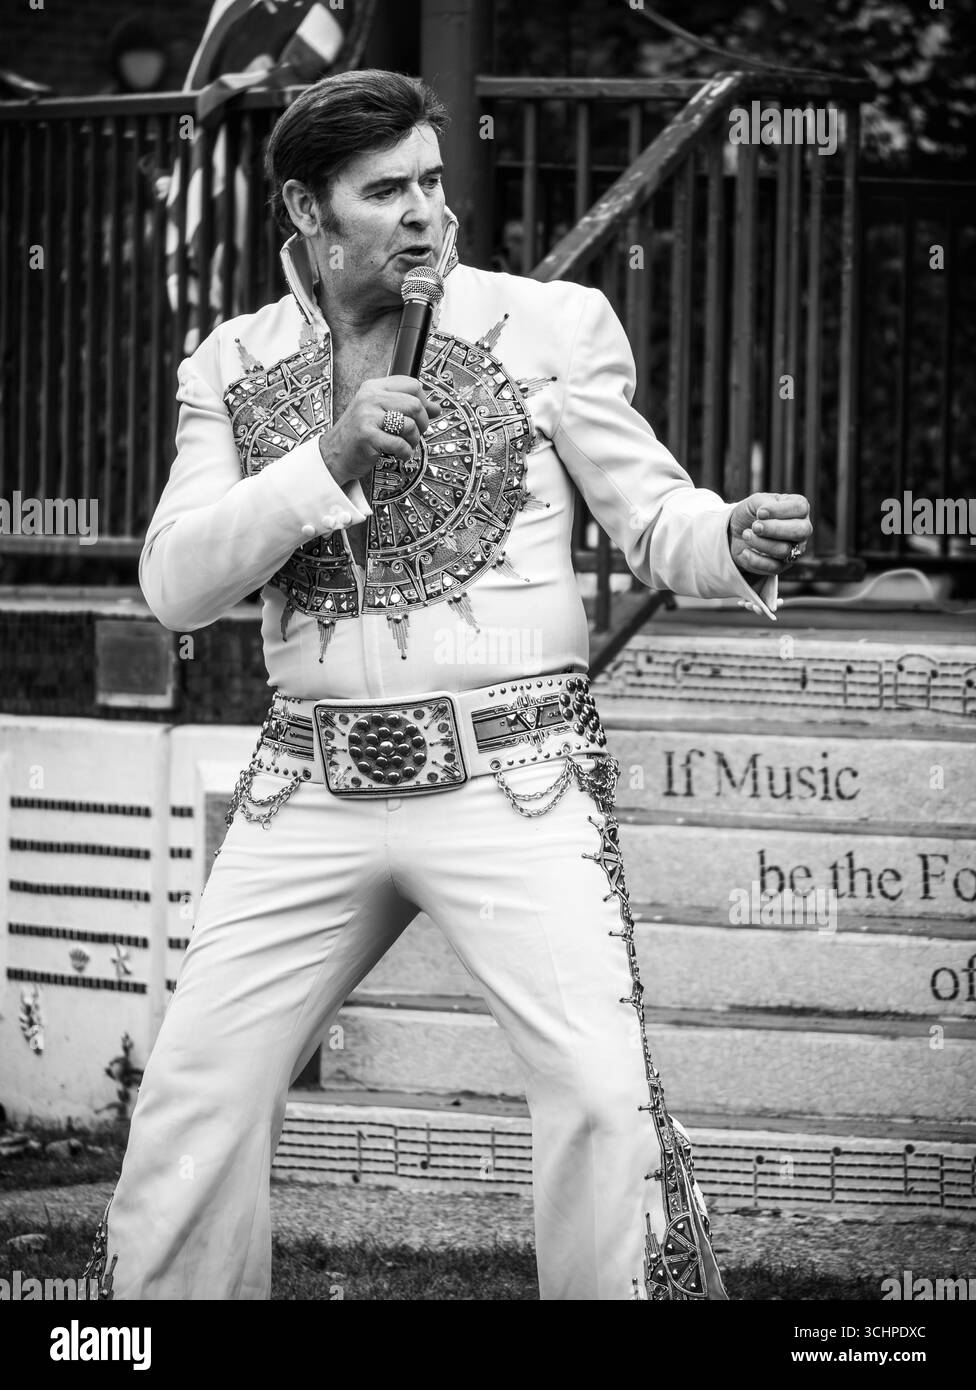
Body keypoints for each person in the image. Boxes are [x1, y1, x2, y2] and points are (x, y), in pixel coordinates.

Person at [84, 69, 812, 1302]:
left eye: (431, 178)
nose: (423, 210)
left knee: (596, 1090)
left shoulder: (551, 323)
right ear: (307, 218)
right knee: (195, 1091)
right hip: (305, 786)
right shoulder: (231, 362)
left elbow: (652, 515)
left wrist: (722, 536)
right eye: (384, 191)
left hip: (515, 778)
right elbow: (176, 584)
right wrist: (323, 457)